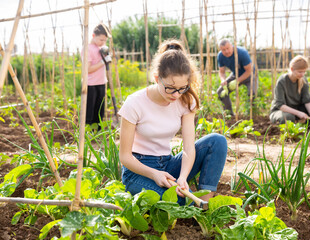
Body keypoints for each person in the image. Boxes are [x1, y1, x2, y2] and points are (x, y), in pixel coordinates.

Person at [118, 39, 227, 206]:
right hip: (139, 171)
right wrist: (154, 174)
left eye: (182, 88)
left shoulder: (185, 99)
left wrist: (182, 177)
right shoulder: (134, 103)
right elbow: (125, 157)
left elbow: (189, 149)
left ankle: (204, 204)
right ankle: (194, 205)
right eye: (170, 87)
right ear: (157, 78)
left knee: (217, 141)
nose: (176, 94)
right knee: (179, 201)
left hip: (168, 165)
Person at [269, 55, 310, 128]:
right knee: (288, 117)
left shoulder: (303, 80)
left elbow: (307, 101)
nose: (302, 74)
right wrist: (298, 113)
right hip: (281, 111)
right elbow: (280, 105)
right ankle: (290, 126)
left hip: (296, 109)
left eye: (304, 72)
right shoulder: (282, 81)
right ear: (292, 69)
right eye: (300, 72)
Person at [82, 23, 112, 130]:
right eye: (101, 40)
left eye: (105, 40)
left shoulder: (102, 47)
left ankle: (98, 132)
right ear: (93, 36)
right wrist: (103, 62)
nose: (103, 42)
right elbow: (88, 70)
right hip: (90, 84)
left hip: (101, 82)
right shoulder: (87, 49)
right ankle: (88, 132)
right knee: (90, 109)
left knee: (100, 109)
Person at [216, 38, 258, 116]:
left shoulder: (242, 53)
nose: (226, 51)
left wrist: (237, 81)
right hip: (236, 74)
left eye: (228, 48)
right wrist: (223, 80)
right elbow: (221, 72)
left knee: (252, 93)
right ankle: (230, 114)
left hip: (250, 75)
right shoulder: (220, 56)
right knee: (221, 91)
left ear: (232, 46)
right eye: (223, 50)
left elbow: (249, 71)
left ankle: (252, 114)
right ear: (220, 50)